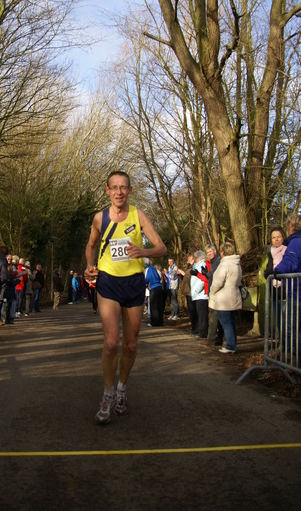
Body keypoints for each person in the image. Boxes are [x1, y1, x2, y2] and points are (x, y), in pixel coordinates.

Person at [84, 170, 167, 425]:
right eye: (114, 187)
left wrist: (142, 251)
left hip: (134, 283)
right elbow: (91, 245)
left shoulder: (138, 215)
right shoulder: (100, 218)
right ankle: (107, 393)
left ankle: (122, 388)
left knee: (130, 345)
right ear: (107, 191)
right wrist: (89, 266)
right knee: (111, 343)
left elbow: (162, 248)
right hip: (108, 282)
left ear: (130, 190)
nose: (119, 191)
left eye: (124, 187)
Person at [274, 215, 301, 371]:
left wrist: (277, 271)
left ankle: (297, 365)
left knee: (293, 330)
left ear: (292, 228)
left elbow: (291, 261)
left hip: (298, 293)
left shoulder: (297, 242)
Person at [208, 242, 242, 354]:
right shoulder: (237, 264)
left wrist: (212, 292)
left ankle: (230, 346)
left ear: (222, 252)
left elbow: (217, 282)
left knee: (226, 322)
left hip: (224, 298)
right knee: (231, 322)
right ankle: (233, 345)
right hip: (233, 295)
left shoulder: (224, 264)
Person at [198, 244, 223, 346]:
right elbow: (211, 276)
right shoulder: (213, 262)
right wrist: (205, 274)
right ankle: (218, 337)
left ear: (215, 251)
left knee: (214, 315)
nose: (209, 254)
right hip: (213, 291)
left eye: (210, 252)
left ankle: (212, 338)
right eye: (207, 253)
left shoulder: (218, 261)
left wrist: (205, 274)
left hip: (217, 292)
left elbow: (214, 276)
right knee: (215, 315)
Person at [177, 251, 197, 334]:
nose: (186, 258)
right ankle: (193, 327)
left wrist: (183, 273)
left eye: (188, 257)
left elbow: (192, 277)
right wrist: (181, 275)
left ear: (192, 257)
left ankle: (196, 328)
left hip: (192, 291)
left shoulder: (194, 266)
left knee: (193, 311)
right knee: (191, 311)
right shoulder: (189, 266)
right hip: (188, 291)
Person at [190, 251, 209, 340]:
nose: (194, 259)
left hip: (201, 294)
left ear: (199, 258)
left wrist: (197, 290)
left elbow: (204, 279)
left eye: (195, 257)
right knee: (199, 314)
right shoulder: (196, 265)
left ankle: (203, 332)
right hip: (196, 294)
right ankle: (200, 330)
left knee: (202, 315)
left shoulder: (203, 265)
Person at [144, 259, 164, 326]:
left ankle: (154, 322)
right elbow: (159, 277)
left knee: (154, 306)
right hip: (159, 287)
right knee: (159, 305)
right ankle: (160, 322)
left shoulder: (147, 269)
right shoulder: (154, 268)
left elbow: (146, 279)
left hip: (153, 287)